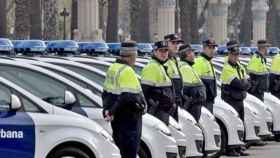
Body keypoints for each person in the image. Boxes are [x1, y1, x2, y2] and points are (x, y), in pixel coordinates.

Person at [102, 41, 146, 158]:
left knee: (121, 152)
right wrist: (142, 106)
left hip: (117, 120)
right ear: (132, 56)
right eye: (136, 55)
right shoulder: (127, 71)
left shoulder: (113, 68)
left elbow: (106, 93)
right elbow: (129, 97)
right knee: (129, 153)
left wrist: (108, 110)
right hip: (129, 121)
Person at [220, 40, 250, 156]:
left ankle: (238, 147)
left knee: (240, 124)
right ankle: (230, 149)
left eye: (237, 55)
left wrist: (245, 84)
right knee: (232, 124)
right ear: (229, 55)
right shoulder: (227, 67)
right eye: (233, 55)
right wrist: (244, 83)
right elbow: (241, 84)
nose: (235, 57)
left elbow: (248, 82)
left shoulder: (239, 66)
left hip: (239, 99)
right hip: (231, 100)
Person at [141, 40, 176, 125]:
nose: (164, 53)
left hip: (163, 111)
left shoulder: (160, 65)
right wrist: (154, 105)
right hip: (156, 112)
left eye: (166, 51)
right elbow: (145, 92)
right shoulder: (152, 67)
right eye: (161, 51)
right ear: (155, 52)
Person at [178, 44, 206, 122]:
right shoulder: (185, 68)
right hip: (191, 106)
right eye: (192, 52)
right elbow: (188, 89)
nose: (194, 55)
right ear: (188, 54)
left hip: (193, 105)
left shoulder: (187, 66)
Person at [193, 38, 218, 113]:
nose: (212, 50)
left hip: (209, 101)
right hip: (203, 102)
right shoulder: (199, 61)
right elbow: (196, 82)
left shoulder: (209, 62)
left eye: (213, 48)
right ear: (204, 48)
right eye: (209, 48)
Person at [164, 33, 184, 121]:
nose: (176, 45)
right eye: (173, 43)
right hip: (169, 105)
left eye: (177, 43)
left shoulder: (174, 60)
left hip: (176, 103)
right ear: (166, 43)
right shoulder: (163, 61)